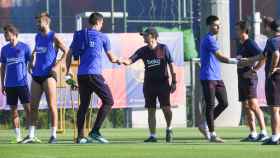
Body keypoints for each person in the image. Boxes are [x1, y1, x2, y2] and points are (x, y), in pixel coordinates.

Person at [66, 12, 121, 144]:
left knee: (84, 105)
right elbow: (112, 58)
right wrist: (121, 60)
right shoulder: (102, 37)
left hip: (81, 75)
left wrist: (68, 72)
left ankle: (80, 137)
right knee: (109, 101)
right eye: (102, 23)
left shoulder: (79, 35)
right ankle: (95, 131)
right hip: (94, 74)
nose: (102, 26)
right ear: (98, 23)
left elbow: (69, 54)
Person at [121, 27, 176, 143]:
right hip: (149, 85)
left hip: (163, 84)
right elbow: (130, 60)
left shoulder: (163, 48)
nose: (143, 37)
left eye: (145, 35)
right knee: (151, 110)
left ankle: (169, 128)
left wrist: (174, 81)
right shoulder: (142, 50)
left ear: (152, 36)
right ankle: (153, 136)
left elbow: (171, 65)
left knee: (166, 108)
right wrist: (122, 61)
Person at [22, 12, 68, 144]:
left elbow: (66, 51)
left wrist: (57, 66)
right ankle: (31, 135)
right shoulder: (37, 36)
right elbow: (36, 50)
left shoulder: (54, 37)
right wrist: (31, 62)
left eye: (39, 22)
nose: (37, 24)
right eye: (36, 21)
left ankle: (54, 135)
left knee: (52, 106)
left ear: (46, 22)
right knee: (33, 107)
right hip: (36, 75)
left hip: (49, 75)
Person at [198, 15, 239, 143]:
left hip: (217, 77)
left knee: (224, 103)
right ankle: (213, 134)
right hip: (208, 76)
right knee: (210, 105)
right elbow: (220, 57)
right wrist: (235, 61)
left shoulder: (214, 39)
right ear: (209, 26)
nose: (219, 26)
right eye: (216, 25)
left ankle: (204, 124)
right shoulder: (209, 39)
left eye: (219, 24)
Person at [240, 19, 280, 145]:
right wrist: (247, 61)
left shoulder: (272, 41)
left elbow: (276, 54)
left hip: (274, 79)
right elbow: (262, 55)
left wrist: (273, 68)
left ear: (271, 29)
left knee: (274, 109)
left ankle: (275, 137)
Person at [235, 21, 268, 142]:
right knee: (246, 106)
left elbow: (263, 56)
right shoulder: (240, 44)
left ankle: (263, 132)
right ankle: (253, 133)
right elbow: (240, 60)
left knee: (254, 105)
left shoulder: (250, 43)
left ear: (244, 30)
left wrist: (254, 69)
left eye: (237, 29)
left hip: (250, 79)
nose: (236, 31)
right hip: (241, 78)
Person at [0, 24, 31, 143]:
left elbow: (31, 62)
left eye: (6, 33)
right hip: (10, 85)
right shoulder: (4, 49)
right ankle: (18, 136)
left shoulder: (25, 47)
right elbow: (2, 68)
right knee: (13, 110)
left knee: (28, 110)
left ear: (13, 33)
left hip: (22, 84)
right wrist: (2, 84)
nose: (4, 36)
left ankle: (30, 135)